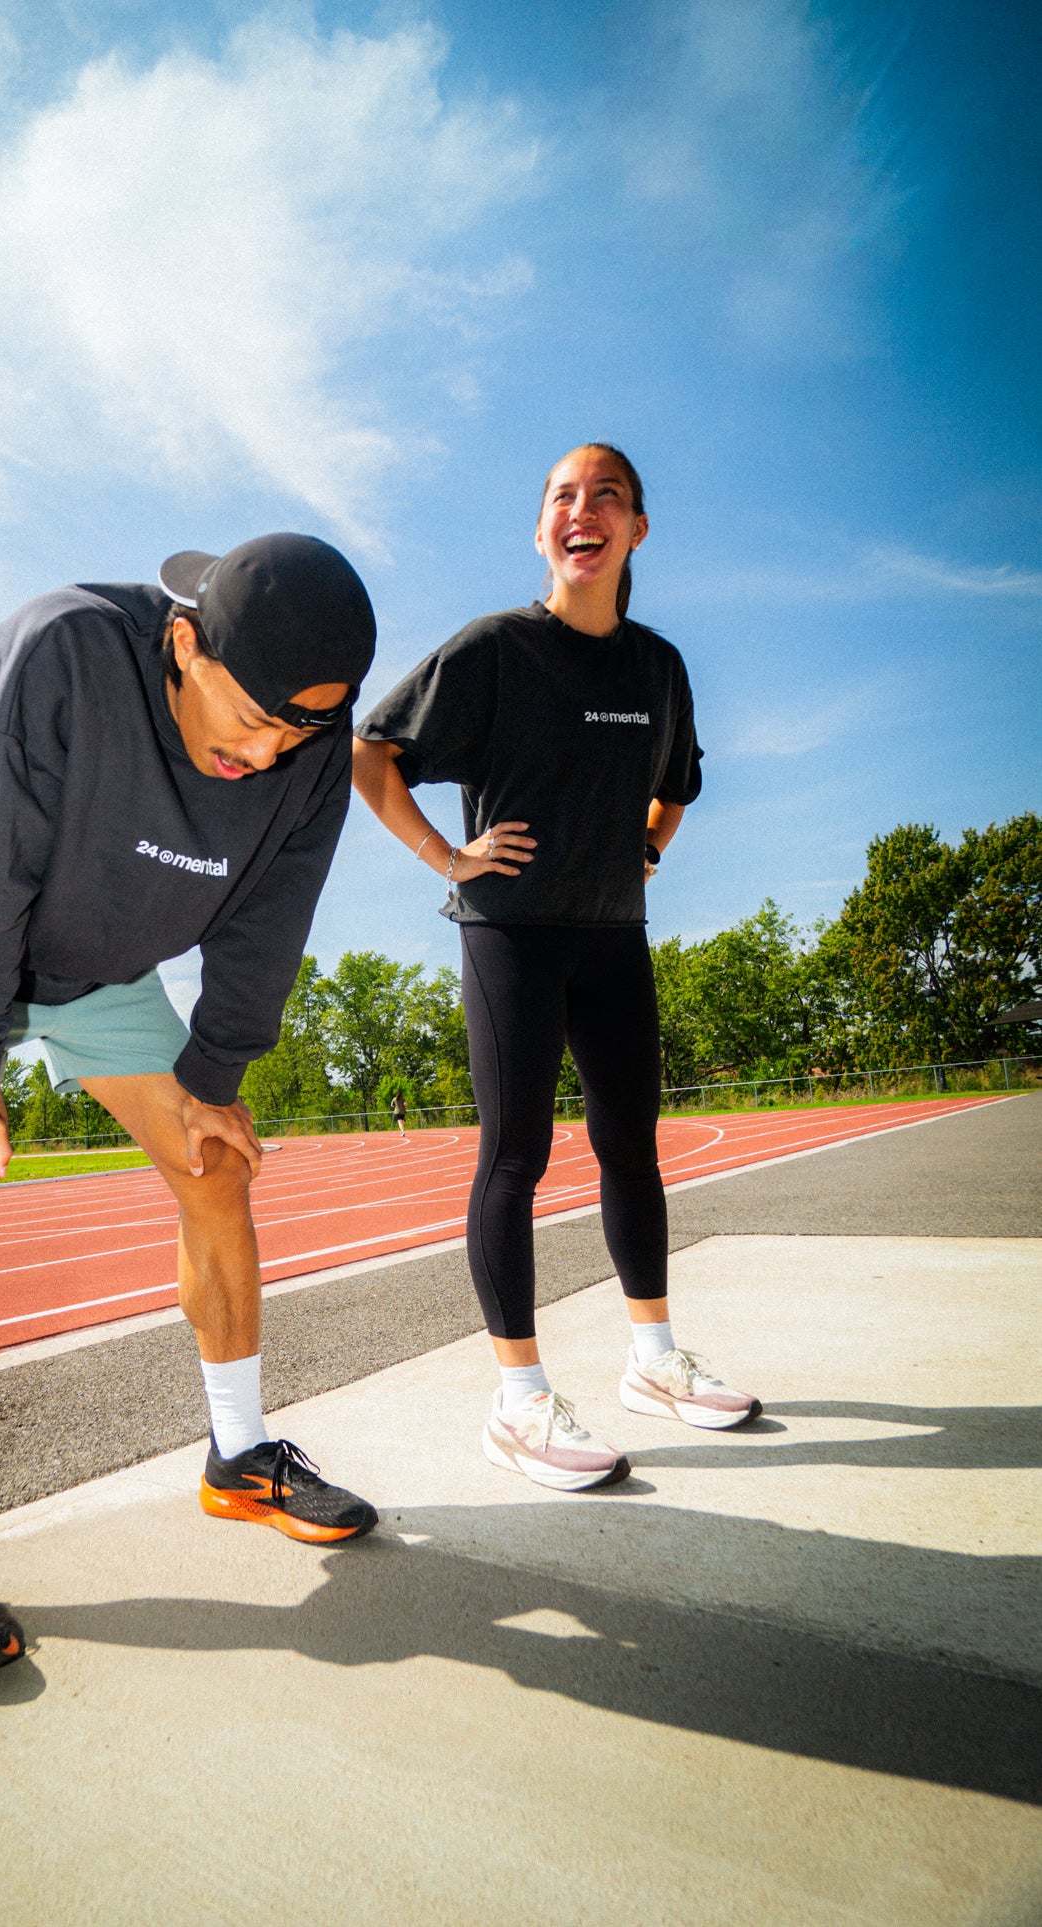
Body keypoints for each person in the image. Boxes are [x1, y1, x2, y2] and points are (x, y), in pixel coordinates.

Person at [0, 534, 380, 1688]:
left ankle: (239, 1452)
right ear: (182, 641)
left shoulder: (307, 741)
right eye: (249, 721)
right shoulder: (61, 650)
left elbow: (271, 918)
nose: (265, 753)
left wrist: (214, 1073)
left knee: (216, 1165)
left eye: (296, 732)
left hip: (107, 976)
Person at [352, 445, 759, 1495]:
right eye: (560, 498)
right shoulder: (495, 650)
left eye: (605, 496)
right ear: (542, 531)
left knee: (631, 1146)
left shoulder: (656, 667)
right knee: (514, 1155)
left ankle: (654, 1362)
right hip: (510, 933)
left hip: (612, 934)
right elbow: (369, 753)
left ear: (634, 529)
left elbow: (679, 785)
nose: (582, 511)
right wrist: (447, 856)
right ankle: (518, 1400)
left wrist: (648, 848)